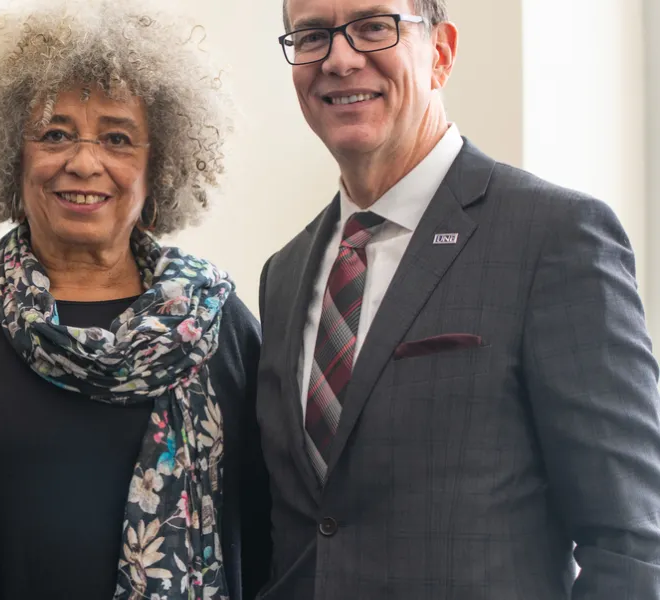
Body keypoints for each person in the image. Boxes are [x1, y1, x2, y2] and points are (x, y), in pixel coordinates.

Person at [254, 0, 660, 598]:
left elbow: (629, 543)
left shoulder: (555, 236)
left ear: (440, 52)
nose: (339, 60)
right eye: (312, 36)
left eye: (372, 27)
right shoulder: (283, 275)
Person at [0, 1, 271, 598]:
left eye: (118, 138)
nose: (84, 162)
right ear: (12, 154)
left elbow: (265, 528)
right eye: (55, 134)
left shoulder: (216, 324)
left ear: (157, 165)